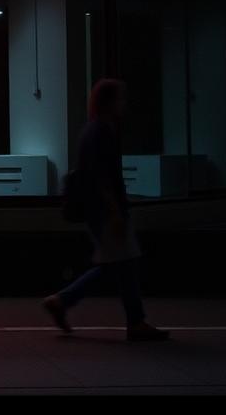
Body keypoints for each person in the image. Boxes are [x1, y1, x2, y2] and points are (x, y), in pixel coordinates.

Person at [42, 78, 170, 342]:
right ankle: (132, 320)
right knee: (123, 262)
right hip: (106, 211)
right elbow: (103, 176)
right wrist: (115, 211)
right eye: (120, 99)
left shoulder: (91, 131)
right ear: (110, 102)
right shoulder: (102, 131)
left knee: (116, 264)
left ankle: (66, 301)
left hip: (97, 210)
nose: (124, 104)